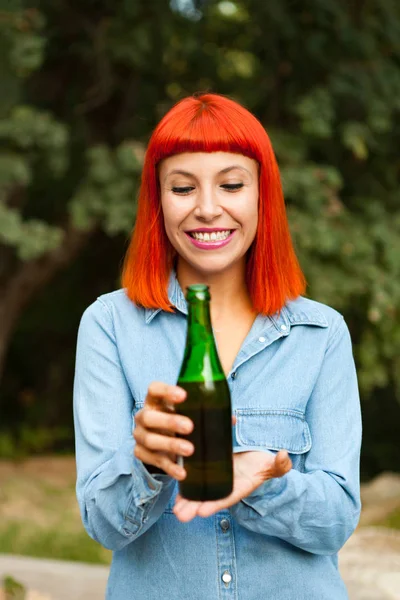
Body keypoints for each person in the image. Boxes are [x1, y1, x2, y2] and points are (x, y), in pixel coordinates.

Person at [73, 93, 362, 600]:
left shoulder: (322, 334)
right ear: (157, 200)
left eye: (231, 184)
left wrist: (266, 481)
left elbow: (336, 521)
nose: (208, 208)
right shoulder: (109, 326)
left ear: (261, 196)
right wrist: (149, 463)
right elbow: (102, 523)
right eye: (183, 188)